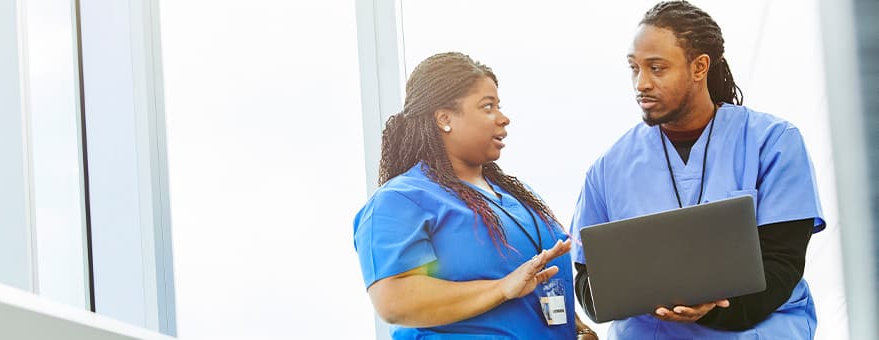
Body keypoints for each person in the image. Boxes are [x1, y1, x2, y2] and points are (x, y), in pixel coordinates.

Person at [571, 1, 825, 339]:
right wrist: (646, 294)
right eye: (634, 68)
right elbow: (589, 283)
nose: (641, 83)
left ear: (699, 67)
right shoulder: (607, 169)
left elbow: (783, 264)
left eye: (657, 68)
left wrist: (718, 309)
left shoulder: (773, 142)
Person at [353, 52, 597, 339]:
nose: (503, 118)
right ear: (445, 118)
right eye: (487, 107)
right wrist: (502, 288)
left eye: (499, 105)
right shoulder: (399, 200)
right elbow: (395, 301)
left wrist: (577, 328)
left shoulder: (521, 197)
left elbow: (541, 287)